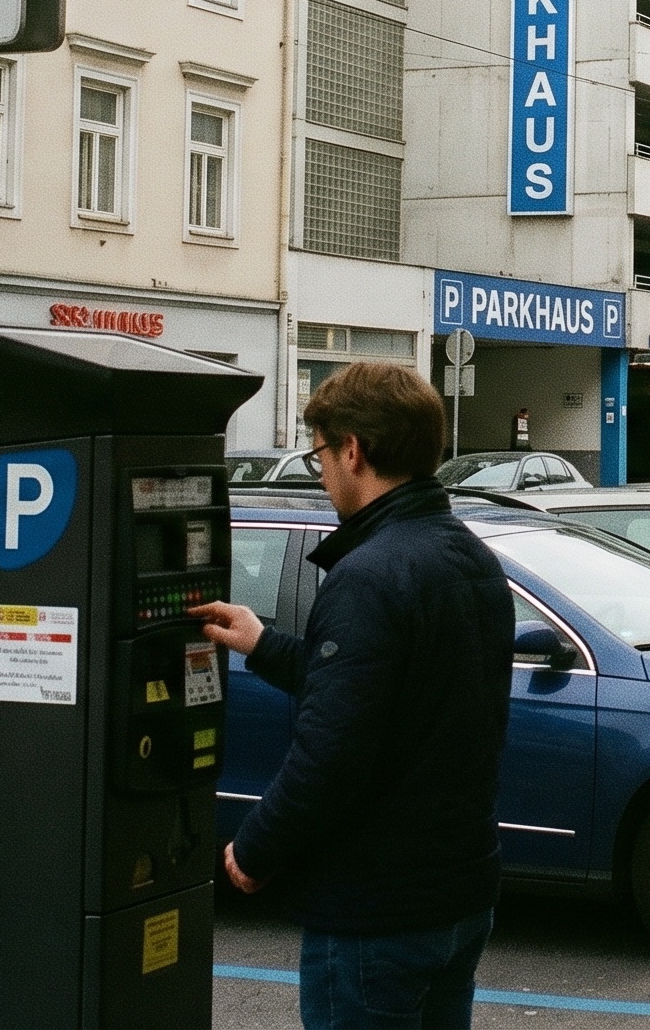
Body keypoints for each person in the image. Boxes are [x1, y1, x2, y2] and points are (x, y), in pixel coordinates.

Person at [188, 363, 514, 1030]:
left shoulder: (368, 575)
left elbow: (332, 749)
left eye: (320, 455)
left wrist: (255, 849)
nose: (321, 474)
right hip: (460, 893)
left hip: (376, 909)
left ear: (354, 450)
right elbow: (392, 692)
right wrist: (263, 643)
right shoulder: (471, 558)